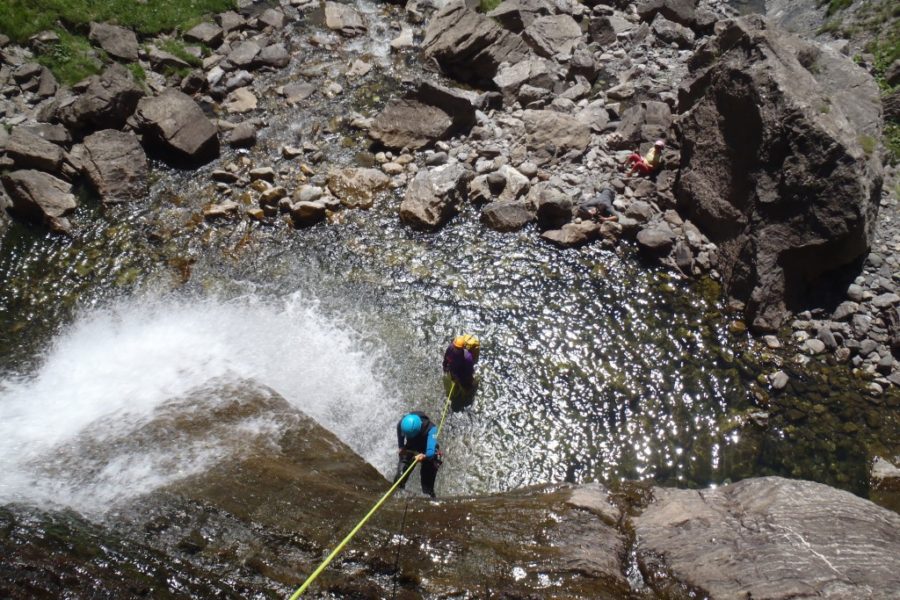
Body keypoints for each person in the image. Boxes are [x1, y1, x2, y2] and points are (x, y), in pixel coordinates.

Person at [394, 412, 440, 497]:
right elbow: (399, 428)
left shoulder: (431, 429)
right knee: (399, 479)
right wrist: (401, 447)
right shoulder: (403, 423)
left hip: (427, 450)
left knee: (427, 488)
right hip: (411, 446)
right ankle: (398, 495)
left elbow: (430, 452)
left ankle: (430, 497)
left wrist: (424, 456)